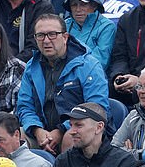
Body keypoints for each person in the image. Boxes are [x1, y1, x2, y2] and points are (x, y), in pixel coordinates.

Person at [18, 13, 109, 153]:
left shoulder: (88, 65)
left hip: (76, 130)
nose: (46, 41)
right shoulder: (31, 67)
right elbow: (24, 106)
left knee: (71, 137)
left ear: (65, 37)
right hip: (41, 132)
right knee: (15, 136)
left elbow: (97, 108)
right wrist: (37, 130)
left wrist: (61, 131)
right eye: (40, 35)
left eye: (52, 34)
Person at [63, 0, 116, 69]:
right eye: (74, 5)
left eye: (83, 4)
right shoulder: (64, 25)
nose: (78, 9)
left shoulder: (107, 27)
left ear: (94, 5)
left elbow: (100, 62)